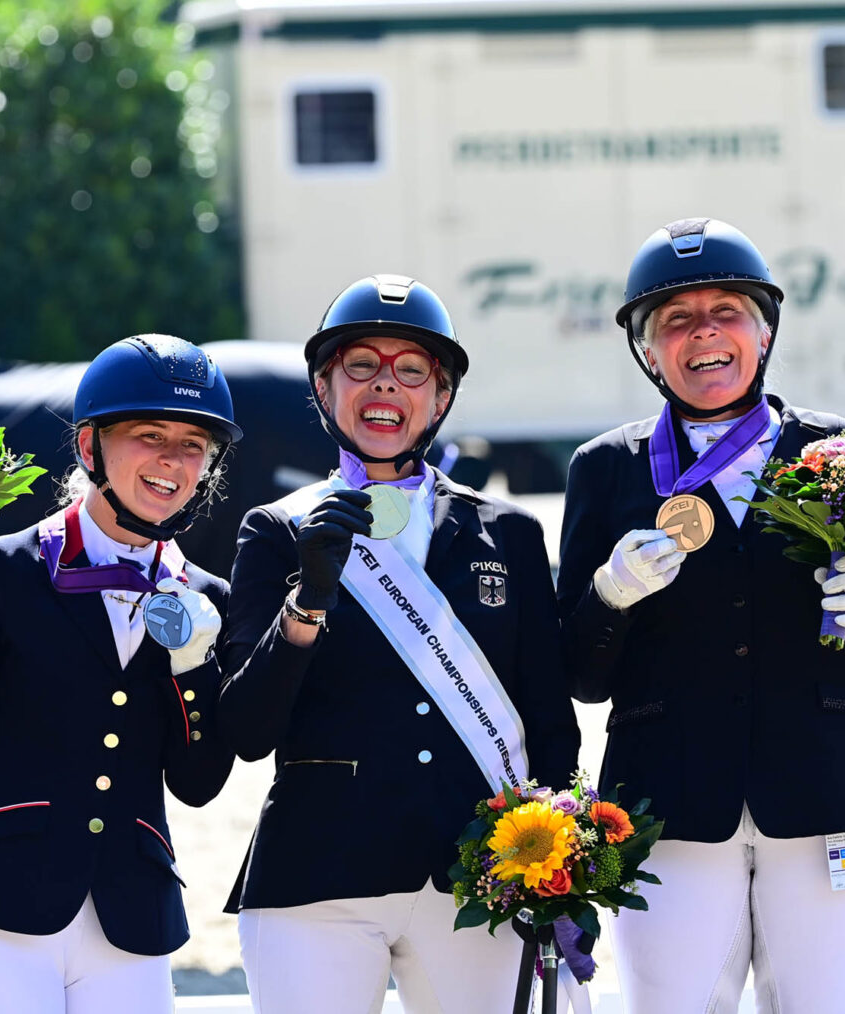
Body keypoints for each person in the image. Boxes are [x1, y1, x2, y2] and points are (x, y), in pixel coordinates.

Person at [556, 219, 845, 1013]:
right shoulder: (605, 468)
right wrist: (608, 596)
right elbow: (577, 669)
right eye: (676, 319)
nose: (703, 333)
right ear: (648, 352)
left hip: (832, 797)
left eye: (726, 312)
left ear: (765, 330)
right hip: (667, 803)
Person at [220, 275, 580, 1013]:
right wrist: (307, 599)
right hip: (317, 874)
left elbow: (547, 721)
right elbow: (248, 731)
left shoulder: (507, 534)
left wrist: (563, 872)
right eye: (361, 365)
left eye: (411, 369)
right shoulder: (277, 529)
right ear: (323, 388)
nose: (386, 384)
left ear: (440, 397)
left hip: (476, 874)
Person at [0, 334, 241, 1012]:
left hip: (130, 914)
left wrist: (191, 669)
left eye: (193, 444)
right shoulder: (6, 566)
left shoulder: (205, 598)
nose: (173, 458)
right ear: (89, 448)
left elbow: (198, 785)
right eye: (149, 434)